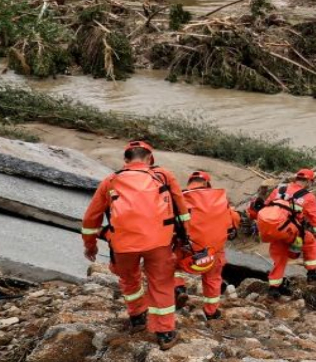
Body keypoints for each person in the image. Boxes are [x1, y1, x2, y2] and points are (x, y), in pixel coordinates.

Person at [82, 140, 191, 350]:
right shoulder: (163, 176)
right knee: (161, 283)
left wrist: (90, 245)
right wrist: (186, 238)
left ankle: (138, 316)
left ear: (125, 160)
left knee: (129, 280)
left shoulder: (110, 181)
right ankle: (165, 332)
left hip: (123, 244)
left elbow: (90, 219)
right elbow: (182, 209)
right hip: (159, 242)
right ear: (150, 159)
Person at [173, 171, 240, 320]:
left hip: (187, 250)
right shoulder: (220, 199)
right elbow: (233, 221)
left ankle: (178, 287)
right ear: (208, 184)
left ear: (190, 183)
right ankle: (211, 311)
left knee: (170, 266)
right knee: (213, 278)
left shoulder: (180, 198)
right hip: (213, 251)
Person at [248, 168, 316, 297]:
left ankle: (274, 288)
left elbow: (266, 208)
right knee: (311, 243)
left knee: (279, 259)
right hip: (292, 232)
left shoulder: (279, 190)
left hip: (275, 230)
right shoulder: (308, 197)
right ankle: (312, 273)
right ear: (309, 181)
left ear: (296, 179)